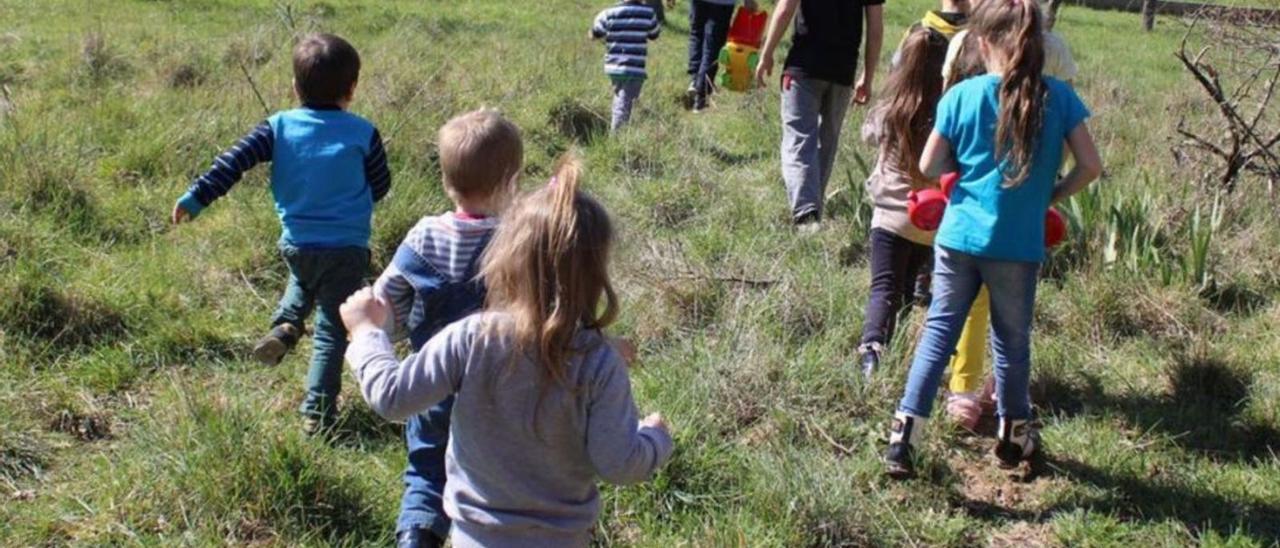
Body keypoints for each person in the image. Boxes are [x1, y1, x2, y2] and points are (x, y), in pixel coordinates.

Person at [343, 155, 674, 547]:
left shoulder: (470, 338)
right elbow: (619, 463)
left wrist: (366, 332)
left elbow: (392, 396)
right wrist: (655, 439)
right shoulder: (600, 363)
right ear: (596, 276)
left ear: (505, 259)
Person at [883, 0, 1102, 478]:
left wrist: (961, 176)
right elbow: (1092, 166)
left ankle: (904, 434)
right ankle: (1013, 432)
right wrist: (1052, 192)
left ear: (981, 44)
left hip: (959, 236)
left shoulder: (961, 97)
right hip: (1018, 244)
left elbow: (928, 167)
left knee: (940, 330)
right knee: (1012, 339)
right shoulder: (1060, 98)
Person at [171, 33, 390, 435]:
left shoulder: (277, 127)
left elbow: (231, 163)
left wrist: (196, 197)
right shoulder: (364, 133)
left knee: (303, 277)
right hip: (346, 249)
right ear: (352, 88)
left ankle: (286, 326)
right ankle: (317, 414)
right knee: (330, 331)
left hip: (296, 244)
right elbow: (382, 184)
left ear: (294, 87)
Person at [373, 110, 522, 548]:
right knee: (496, 472)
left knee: (425, 468)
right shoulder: (517, 239)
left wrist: (394, 335)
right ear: (512, 182)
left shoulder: (423, 237)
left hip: (430, 382)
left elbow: (387, 301)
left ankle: (417, 536)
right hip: (500, 390)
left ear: (446, 181)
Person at [938, 0, 1080, 430]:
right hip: (1028, 190)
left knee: (965, 299)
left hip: (969, 183)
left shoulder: (965, 41)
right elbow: (1069, 131)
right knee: (1013, 303)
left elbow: (946, 107)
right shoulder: (1053, 48)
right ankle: (1002, 391)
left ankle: (963, 390)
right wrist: (1049, 191)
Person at [856, 27, 950, 379]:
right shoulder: (945, 115)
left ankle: (873, 350)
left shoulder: (892, 110)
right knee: (911, 284)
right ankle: (908, 345)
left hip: (890, 218)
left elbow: (868, 135)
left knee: (884, 288)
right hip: (929, 220)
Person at [755, 0, 884, 232]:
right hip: (843, 71)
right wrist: (868, 74)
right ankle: (813, 209)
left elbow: (785, 8)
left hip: (804, 66)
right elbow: (875, 26)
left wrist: (767, 53)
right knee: (828, 141)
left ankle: (806, 211)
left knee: (798, 139)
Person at [590, 0, 662, 131]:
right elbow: (654, 34)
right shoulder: (648, 13)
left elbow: (595, 33)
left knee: (620, 99)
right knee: (624, 104)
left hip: (613, 67)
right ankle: (616, 138)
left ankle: (617, 130)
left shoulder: (608, 13)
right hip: (634, 68)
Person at [687, 0, 758, 112]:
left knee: (696, 35)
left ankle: (695, 79)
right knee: (712, 47)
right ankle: (700, 96)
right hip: (722, 4)